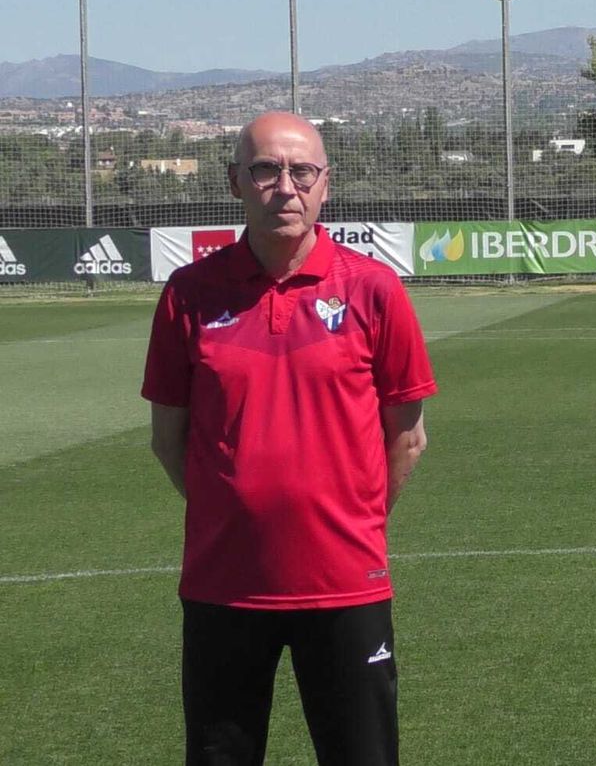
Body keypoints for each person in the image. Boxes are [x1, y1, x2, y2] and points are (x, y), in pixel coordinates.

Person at [142, 111, 436, 766]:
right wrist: (234, 512)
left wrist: (348, 521)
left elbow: (408, 438)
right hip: (224, 584)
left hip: (345, 583)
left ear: (325, 185)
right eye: (267, 170)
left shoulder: (373, 288)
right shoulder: (188, 293)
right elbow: (169, 439)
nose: (286, 186)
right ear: (235, 183)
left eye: (302, 171)